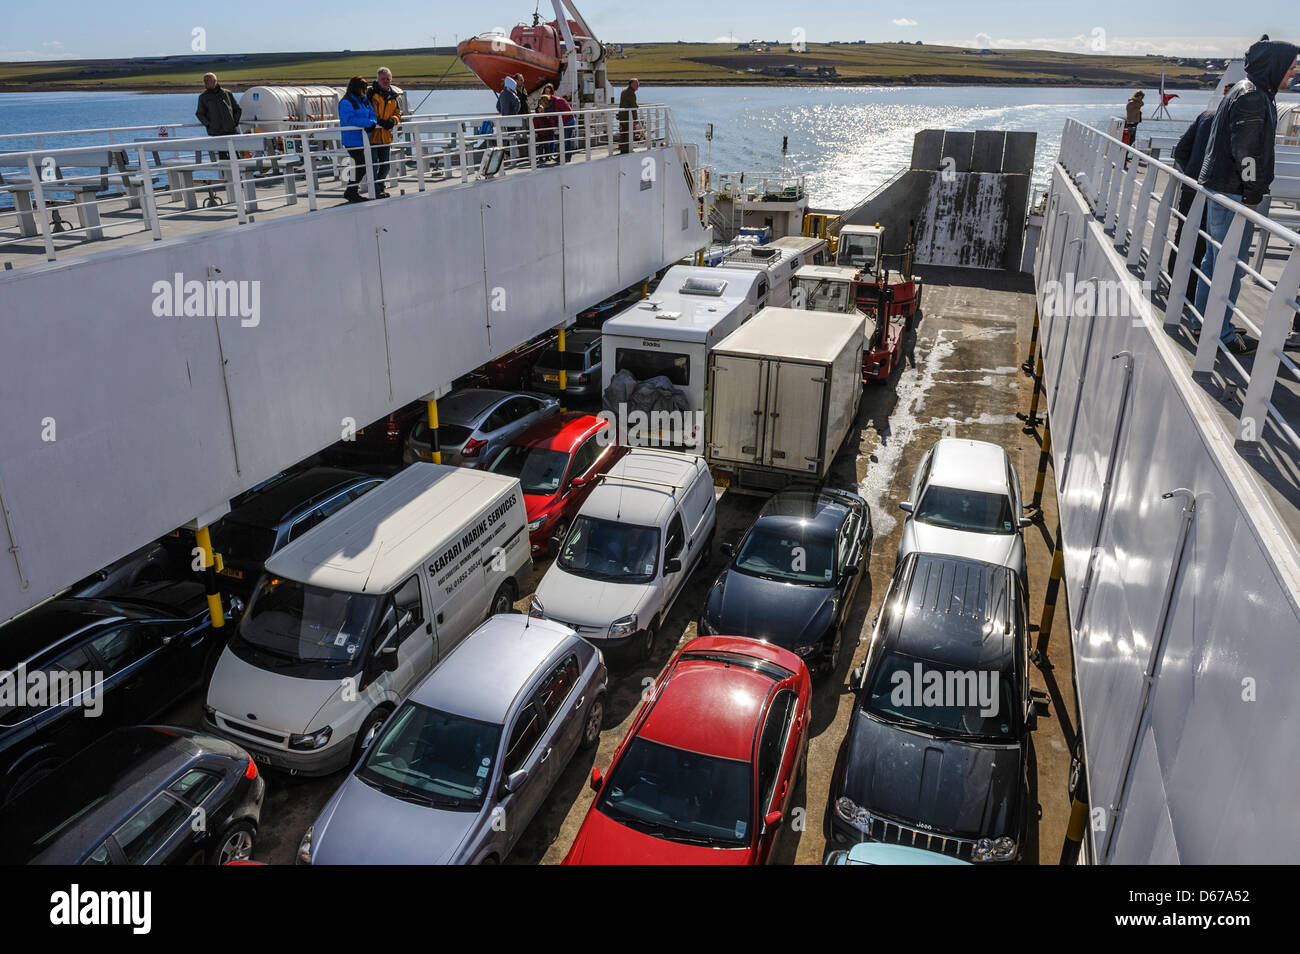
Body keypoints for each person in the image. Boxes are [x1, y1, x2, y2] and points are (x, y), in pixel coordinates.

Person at [1193, 37, 1300, 354]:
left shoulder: (1245, 90)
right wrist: (1253, 192)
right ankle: (1218, 332)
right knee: (1229, 266)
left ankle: (1208, 322)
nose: (1292, 73)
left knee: (1216, 261)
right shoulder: (1253, 97)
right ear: (1275, 66)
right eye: (1290, 67)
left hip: (1224, 187)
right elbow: (1248, 153)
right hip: (1234, 192)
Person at [1168, 84, 1231, 302]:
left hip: (1192, 187)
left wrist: (1192, 175)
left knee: (1184, 235)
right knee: (1207, 245)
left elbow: (1180, 151)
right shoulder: (1236, 123)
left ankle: (1173, 284)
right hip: (1218, 192)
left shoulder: (1205, 116)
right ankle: (1193, 295)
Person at [338, 76, 378, 202]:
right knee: (361, 165)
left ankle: (351, 191)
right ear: (356, 88)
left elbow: (372, 114)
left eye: (366, 88)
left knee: (361, 165)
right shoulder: (346, 102)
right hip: (352, 140)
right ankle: (351, 191)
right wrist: (368, 123)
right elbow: (349, 120)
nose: (365, 90)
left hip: (363, 139)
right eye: (363, 88)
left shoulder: (364, 100)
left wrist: (372, 121)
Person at [367, 67, 401, 198]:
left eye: (388, 79)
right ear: (378, 80)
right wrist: (377, 121)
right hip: (372, 136)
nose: (386, 81)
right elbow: (366, 110)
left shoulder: (393, 96)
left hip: (386, 137)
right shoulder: (371, 94)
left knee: (385, 166)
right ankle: (376, 190)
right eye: (383, 79)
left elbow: (398, 113)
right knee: (373, 164)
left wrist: (393, 120)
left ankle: (380, 187)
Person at [195, 73, 241, 159]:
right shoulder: (203, 97)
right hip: (216, 132)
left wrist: (234, 123)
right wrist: (209, 124)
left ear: (214, 81)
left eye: (207, 80)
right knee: (222, 159)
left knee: (235, 156)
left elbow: (237, 109)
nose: (205, 83)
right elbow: (199, 114)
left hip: (230, 130)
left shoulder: (227, 93)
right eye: (204, 81)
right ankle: (225, 172)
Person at [546, 89, 576, 160]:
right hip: (565, 121)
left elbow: (567, 112)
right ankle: (562, 156)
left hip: (568, 121)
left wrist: (559, 124)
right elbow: (555, 116)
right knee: (564, 139)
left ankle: (566, 157)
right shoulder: (553, 103)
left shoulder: (558, 101)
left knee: (566, 140)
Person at [617, 78, 639, 154]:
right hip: (627, 117)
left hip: (622, 116)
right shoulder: (630, 92)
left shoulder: (624, 90)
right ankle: (627, 149)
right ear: (632, 84)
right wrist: (635, 120)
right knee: (629, 133)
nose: (638, 85)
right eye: (636, 84)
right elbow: (634, 106)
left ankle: (623, 148)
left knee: (623, 133)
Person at [533, 96, 558, 160]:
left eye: (542, 109)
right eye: (539, 109)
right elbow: (535, 126)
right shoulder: (536, 118)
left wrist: (551, 131)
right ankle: (540, 157)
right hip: (540, 134)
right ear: (537, 110)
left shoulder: (546, 116)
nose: (541, 110)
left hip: (546, 133)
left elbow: (549, 124)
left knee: (547, 146)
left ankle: (547, 157)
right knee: (540, 146)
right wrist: (536, 133)